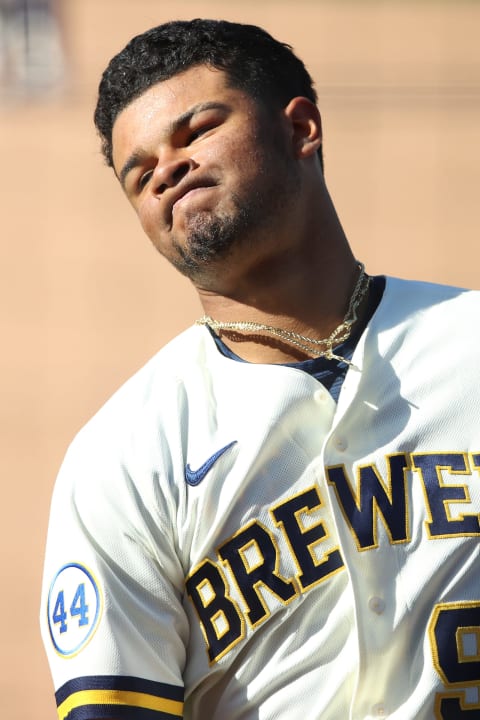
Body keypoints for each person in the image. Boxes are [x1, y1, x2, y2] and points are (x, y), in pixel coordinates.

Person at [40, 18, 480, 720]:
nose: (166, 171)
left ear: (301, 128)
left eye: (196, 131)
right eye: (140, 172)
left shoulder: (470, 344)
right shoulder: (123, 452)